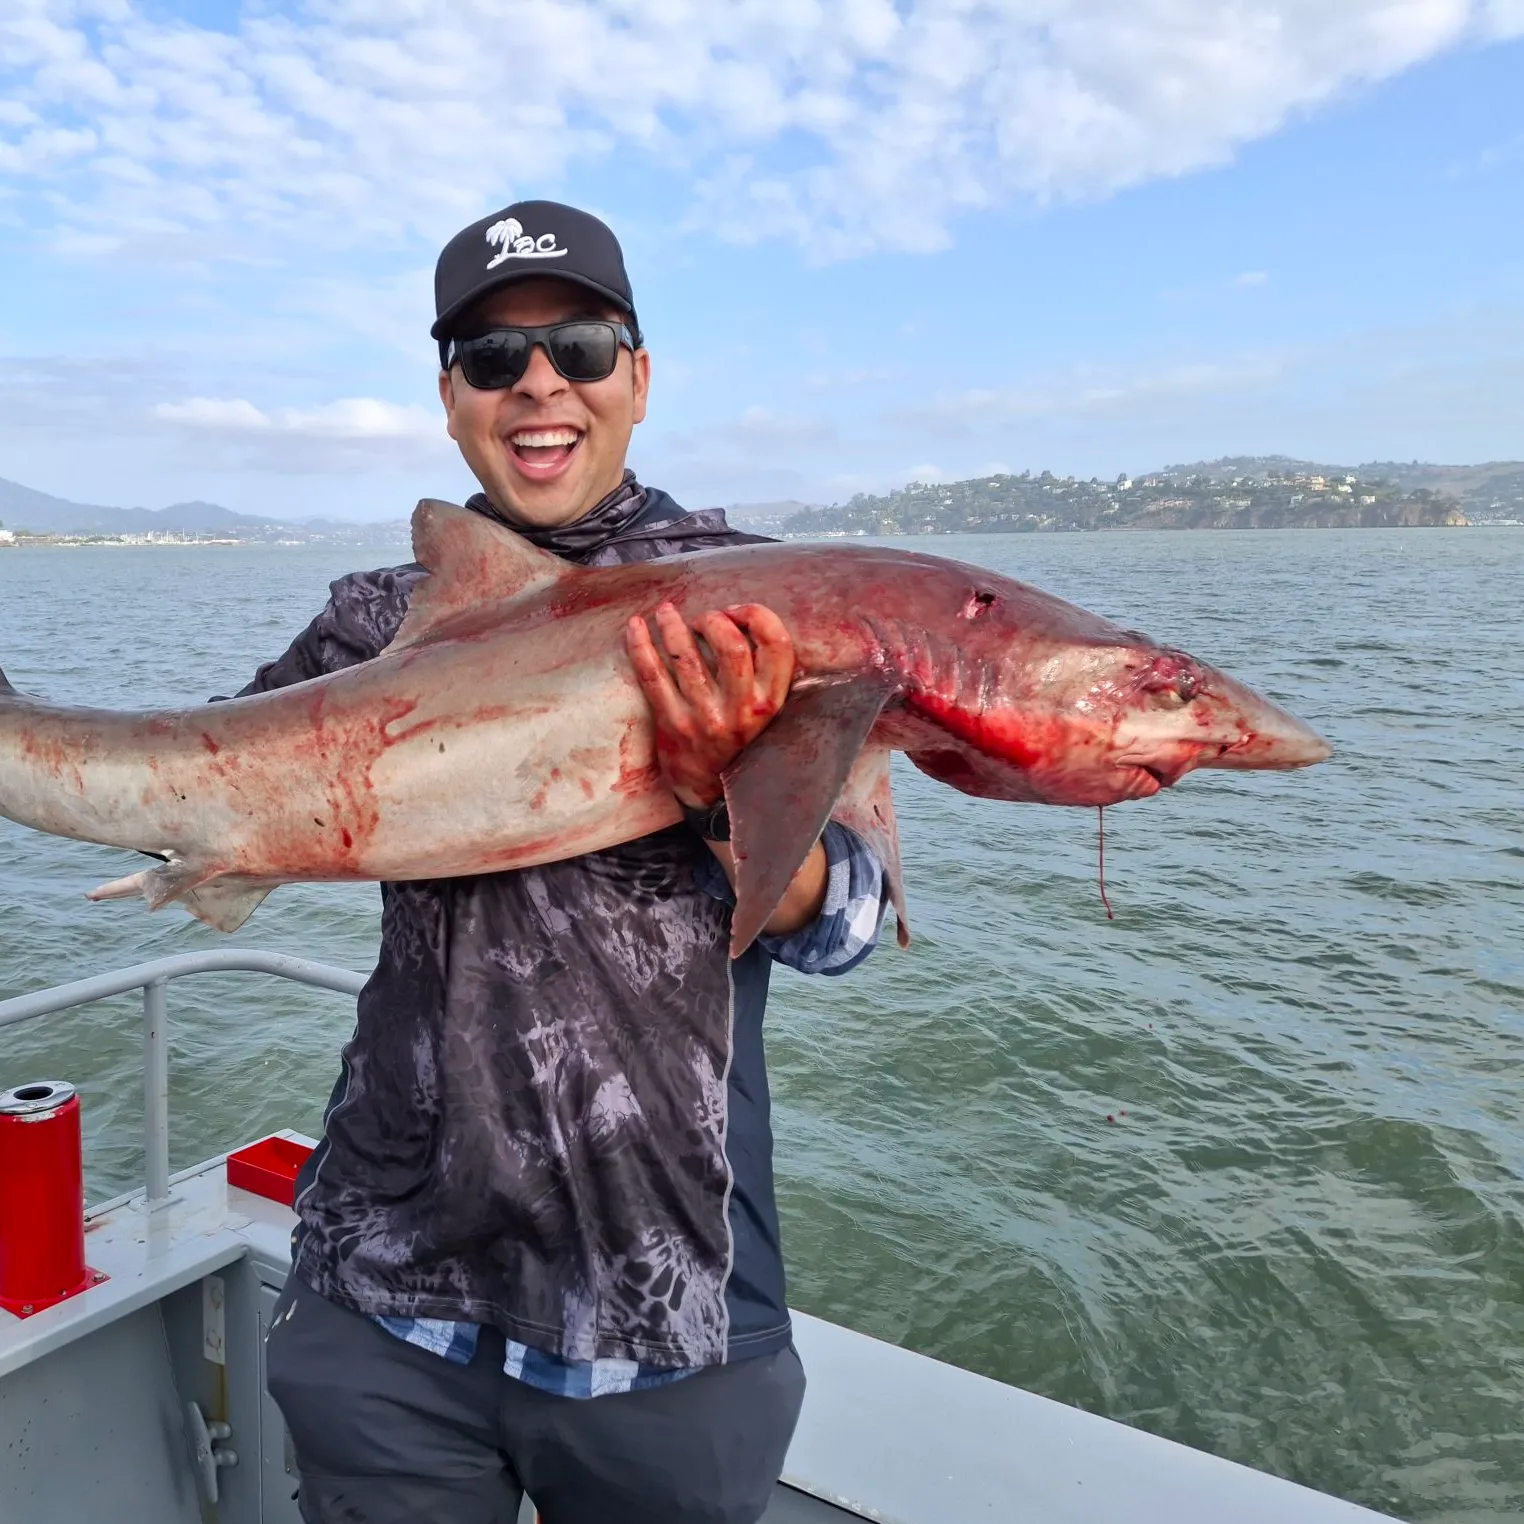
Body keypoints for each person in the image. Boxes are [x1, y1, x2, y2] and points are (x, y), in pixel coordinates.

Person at [255, 200, 890, 1524]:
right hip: (385, 1298)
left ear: (638, 379)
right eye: (493, 360)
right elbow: (212, 786)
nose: (539, 384)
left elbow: (846, 922)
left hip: (664, 1315)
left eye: (582, 347)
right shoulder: (381, 616)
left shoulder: (768, 603)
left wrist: (727, 789)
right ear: (451, 401)